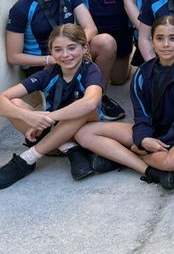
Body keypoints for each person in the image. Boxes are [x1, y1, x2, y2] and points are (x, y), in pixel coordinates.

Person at [76, 16, 174, 190]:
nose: (166, 44)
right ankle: (143, 163)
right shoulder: (142, 73)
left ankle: (121, 155)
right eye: (159, 38)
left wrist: (149, 144)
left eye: (173, 38)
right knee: (84, 133)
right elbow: (142, 116)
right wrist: (144, 139)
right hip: (152, 132)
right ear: (152, 41)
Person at [6, 0, 122, 120]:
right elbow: (14, 57)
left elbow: (90, 28)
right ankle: (56, 106)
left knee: (106, 41)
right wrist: (51, 59)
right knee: (69, 113)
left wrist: (77, 48)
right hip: (44, 63)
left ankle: (99, 96)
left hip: (69, 53)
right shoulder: (22, 8)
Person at [0, 24, 104, 188]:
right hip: (54, 133)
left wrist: (48, 117)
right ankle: (68, 148)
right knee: (14, 103)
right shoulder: (47, 74)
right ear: (51, 52)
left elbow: (90, 103)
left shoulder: (90, 70)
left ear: (84, 48)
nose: (65, 55)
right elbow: (2, 99)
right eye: (58, 50)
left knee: (82, 108)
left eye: (71, 48)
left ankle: (28, 158)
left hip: (84, 133)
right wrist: (28, 116)